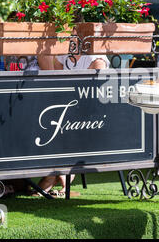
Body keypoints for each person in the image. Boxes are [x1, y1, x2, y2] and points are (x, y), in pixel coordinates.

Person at [32, 53, 109, 198]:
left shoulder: (97, 58)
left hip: (90, 116)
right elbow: (58, 84)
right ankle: (56, 173)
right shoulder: (63, 55)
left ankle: (60, 173)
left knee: (62, 123)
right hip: (67, 108)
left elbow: (97, 93)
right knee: (47, 118)